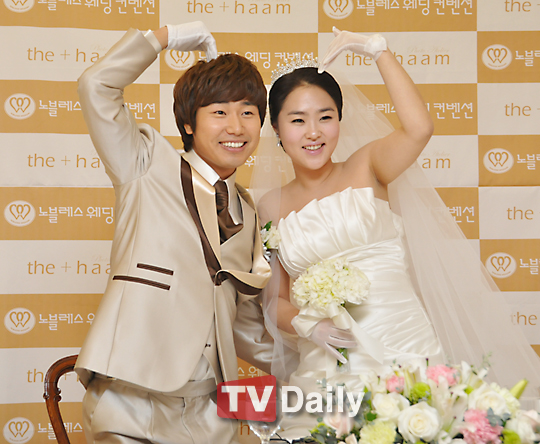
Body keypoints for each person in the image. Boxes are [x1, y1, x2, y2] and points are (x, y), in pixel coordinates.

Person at [252, 28, 540, 439]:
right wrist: (307, 326)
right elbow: (273, 300)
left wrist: (378, 51)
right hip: (329, 358)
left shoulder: (368, 165)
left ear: (339, 120)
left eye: (325, 117)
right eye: (297, 120)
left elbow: (419, 128)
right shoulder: (268, 206)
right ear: (278, 130)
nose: (313, 132)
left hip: (402, 342)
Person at [74, 22, 273, 444]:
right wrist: (163, 37)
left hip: (213, 412)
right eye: (219, 112)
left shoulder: (248, 210)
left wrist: (321, 360)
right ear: (188, 123)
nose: (236, 127)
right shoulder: (145, 162)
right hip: (131, 400)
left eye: (248, 112)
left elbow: (242, 320)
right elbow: (96, 85)